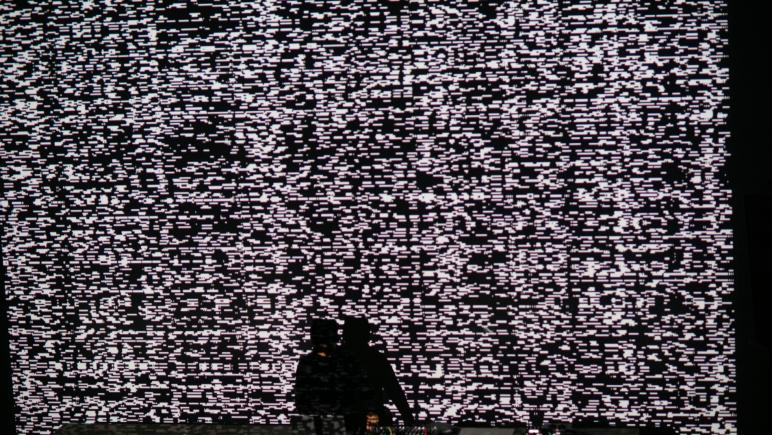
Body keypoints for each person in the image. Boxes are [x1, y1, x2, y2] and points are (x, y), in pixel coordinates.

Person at [338, 316, 415, 431]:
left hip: (342, 422)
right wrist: (408, 419)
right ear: (367, 335)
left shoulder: (334, 359)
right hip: (371, 420)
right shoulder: (377, 359)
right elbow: (394, 391)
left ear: (345, 335)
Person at [294, 318, 344, 415]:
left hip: (338, 419)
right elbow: (300, 399)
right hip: (315, 419)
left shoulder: (344, 361)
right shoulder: (306, 363)